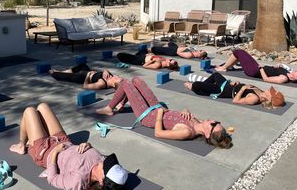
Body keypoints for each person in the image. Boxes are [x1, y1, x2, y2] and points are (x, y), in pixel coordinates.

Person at [9, 103, 128, 190]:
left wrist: (55, 152)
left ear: (102, 182)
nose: (106, 161)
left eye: (106, 167)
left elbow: (53, 179)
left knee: (30, 111)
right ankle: (35, 134)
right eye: (110, 162)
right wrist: (87, 144)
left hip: (45, 152)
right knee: (42, 106)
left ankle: (22, 145)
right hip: (63, 140)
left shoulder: (78, 181)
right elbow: (91, 153)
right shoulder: (101, 160)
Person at [96, 77, 232, 148]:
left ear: (207, 134)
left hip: (149, 116)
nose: (213, 120)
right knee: (136, 80)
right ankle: (121, 102)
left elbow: (159, 133)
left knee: (125, 83)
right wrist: (185, 110)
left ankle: (110, 108)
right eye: (217, 122)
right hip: (157, 108)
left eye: (214, 124)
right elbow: (180, 115)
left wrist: (160, 114)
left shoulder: (187, 132)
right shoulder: (198, 122)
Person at [184, 72, 285, 108]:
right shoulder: (261, 91)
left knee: (196, 85)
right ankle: (203, 86)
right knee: (216, 75)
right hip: (228, 84)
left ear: (269, 98)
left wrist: (242, 89)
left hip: (221, 90)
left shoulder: (254, 99)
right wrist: (237, 83)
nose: (269, 90)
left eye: (270, 92)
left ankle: (195, 87)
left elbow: (235, 101)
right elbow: (244, 86)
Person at [215, 48, 297, 84]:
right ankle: (225, 66)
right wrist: (278, 65)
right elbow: (281, 67)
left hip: (254, 71)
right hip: (258, 67)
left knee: (238, 52)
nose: (296, 71)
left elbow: (266, 79)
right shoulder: (288, 72)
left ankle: (224, 67)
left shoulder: (284, 78)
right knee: (240, 53)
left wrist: (261, 68)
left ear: (295, 78)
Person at [49, 63, 122, 90]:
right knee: (83, 65)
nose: (117, 76)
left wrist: (88, 75)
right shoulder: (110, 77)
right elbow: (105, 70)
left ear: (113, 84)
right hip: (89, 72)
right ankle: (63, 71)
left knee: (56, 75)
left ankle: (55, 73)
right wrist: (105, 71)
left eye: (117, 78)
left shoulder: (102, 84)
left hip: (82, 77)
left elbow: (85, 86)